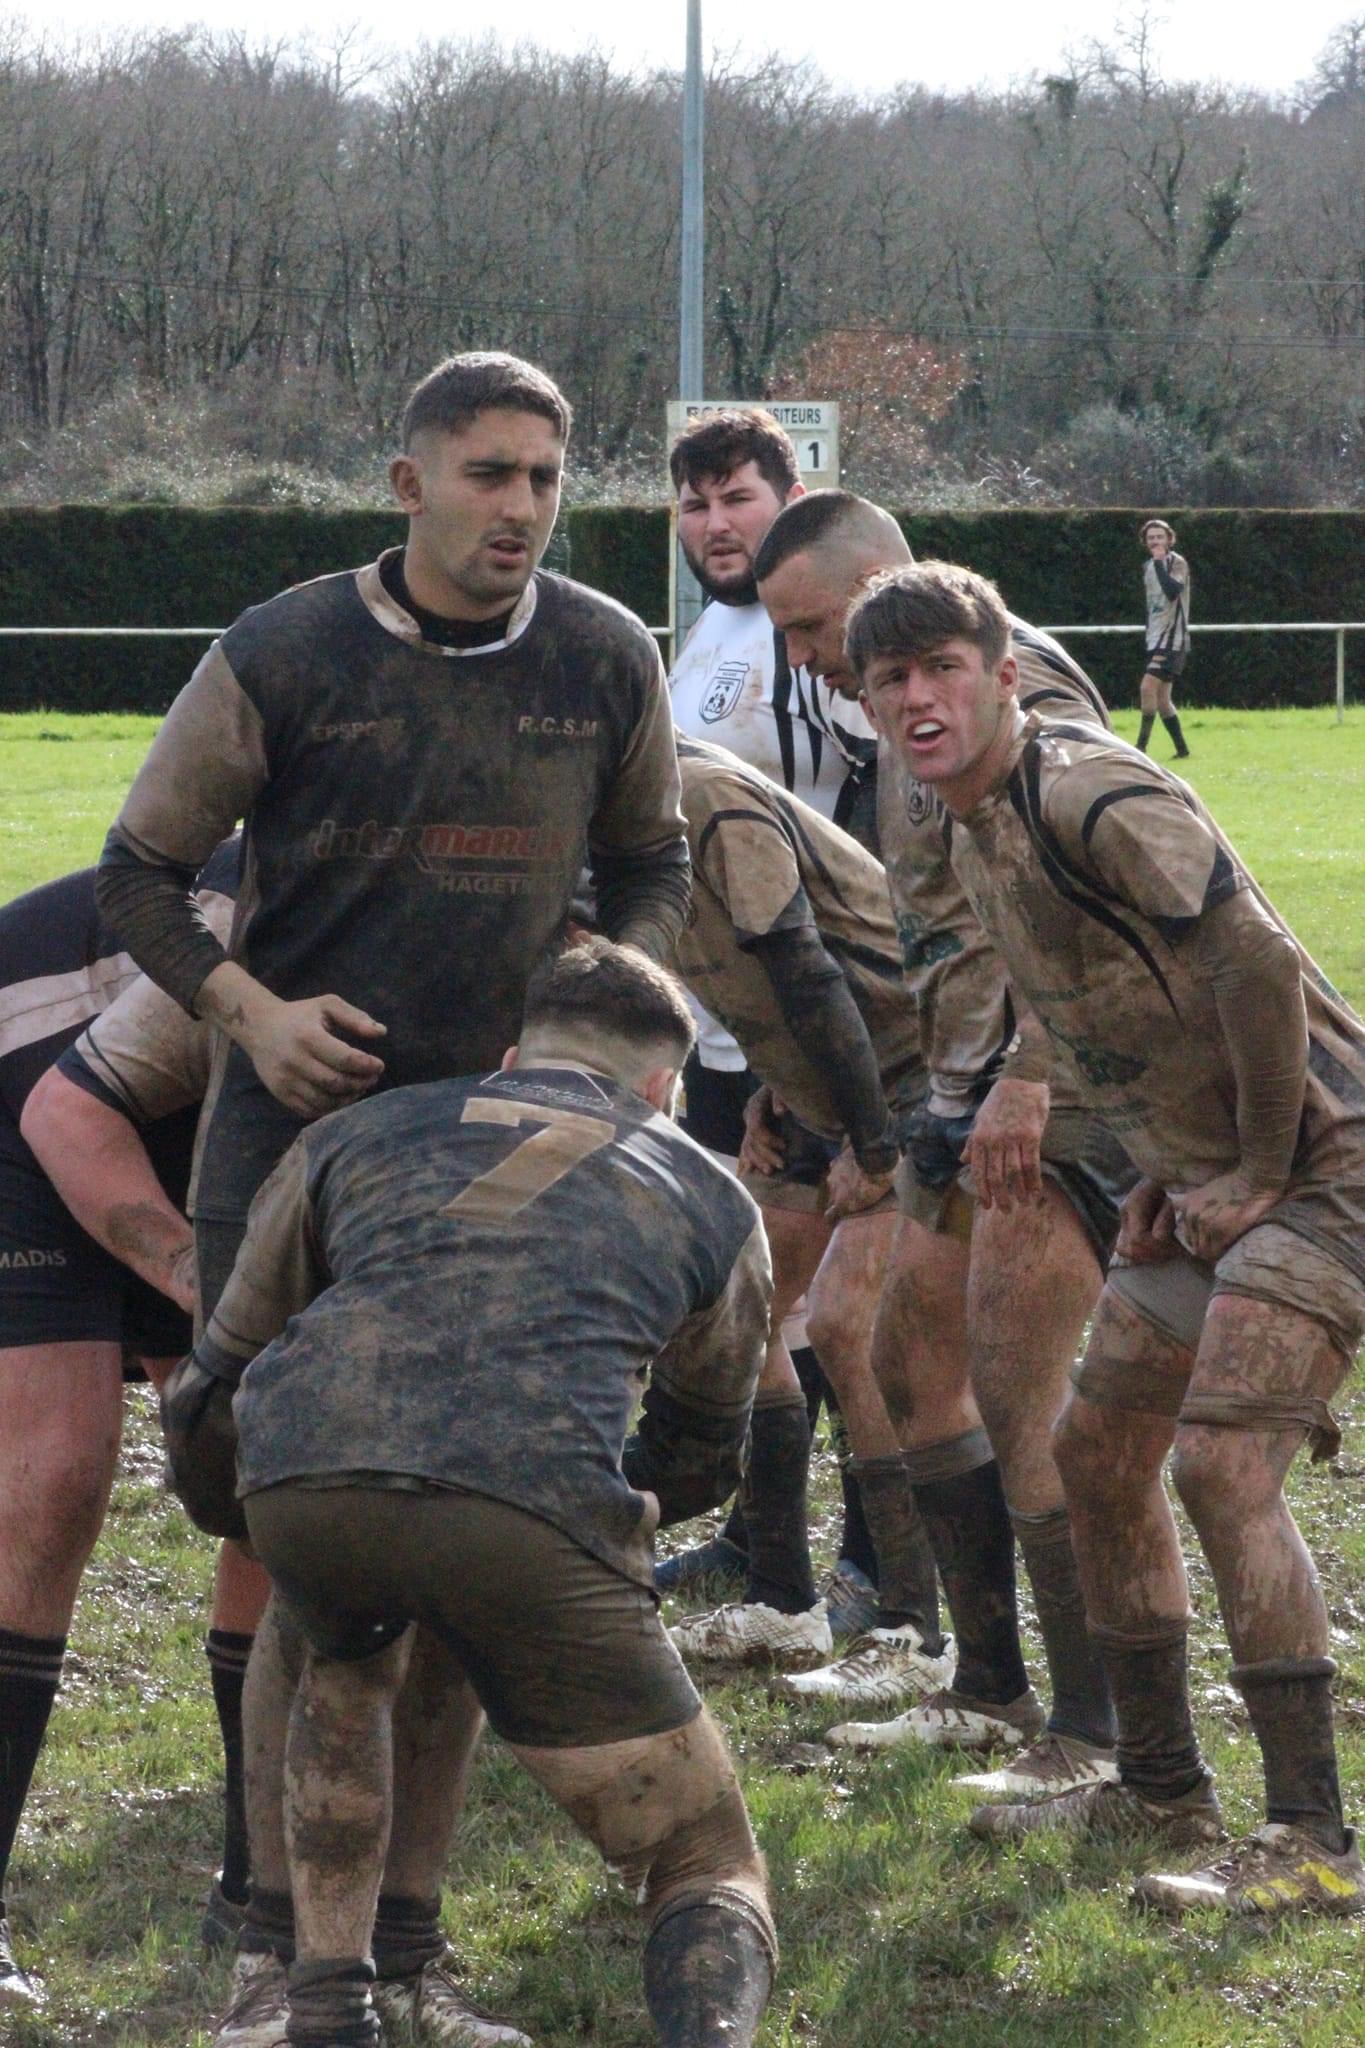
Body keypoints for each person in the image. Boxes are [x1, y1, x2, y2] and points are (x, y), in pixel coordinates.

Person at [95, 349, 691, 2046]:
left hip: (510, 1163)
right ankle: (279, 1952)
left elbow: (653, 864)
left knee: (453, 1554)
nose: (523, 507)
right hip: (293, 1155)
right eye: (490, 472)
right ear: (409, 482)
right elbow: (139, 876)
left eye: (547, 477)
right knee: (302, 1551)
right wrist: (254, 1017)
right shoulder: (283, 650)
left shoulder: (606, 653)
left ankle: (406, 1954)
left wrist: (591, 1008)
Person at [846, 557, 1365, 1918]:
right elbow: (1087, 1007)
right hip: (1201, 1176)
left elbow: (1254, 960)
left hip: (1327, 1162)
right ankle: (1159, 1786)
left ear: (1004, 675)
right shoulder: (973, 827)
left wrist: (1257, 1165)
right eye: (890, 679)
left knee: (1221, 1464)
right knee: (1094, 1451)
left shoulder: (1086, 789)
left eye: (943, 668)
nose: (918, 697)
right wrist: (1156, 1159)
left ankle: (1313, 1843)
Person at [162, 940, 776, 2048]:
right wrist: (584, 1510)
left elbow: (216, 1378)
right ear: (660, 1090)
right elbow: (703, 1446)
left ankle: (321, 1999)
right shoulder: (710, 1189)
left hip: (313, 1480)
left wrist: (240, 1509)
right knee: (703, 1855)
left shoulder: (352, 1132)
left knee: (335, 1646)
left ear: (508, 1058)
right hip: (528, 1494)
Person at [751, 494, 1126, 1798]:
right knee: (907, 1353)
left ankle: (1091, 1731)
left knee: (1019, 1395)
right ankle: (985, 1683)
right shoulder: (893, 710)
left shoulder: (1021, 687)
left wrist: (1036, 1070)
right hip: (957, 1091)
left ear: (879, 580)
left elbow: (1098, 894)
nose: (801, 658)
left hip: (1057, 1095)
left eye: (809, 625)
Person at [0, 847, 269, 2009]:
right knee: (53, 1480)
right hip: (28, 1092)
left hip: (197, 1118)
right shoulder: (299, 884)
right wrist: (201, 1283)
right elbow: (67, 1114)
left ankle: (257, 1891)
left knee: (263, 1461)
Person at [664, 733, 950, 1698]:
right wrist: (775, 1083)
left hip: (909, 1075)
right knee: (739, 1304)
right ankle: (783, 1601)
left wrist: (874, 1147)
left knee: (846, 1326)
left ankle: (913, 1631)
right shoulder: (617, 814)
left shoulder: (703, 795)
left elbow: (809, 967)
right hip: (822, 1083)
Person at [665, 406, 883, 1636]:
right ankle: (762, 1543)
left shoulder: (824, 641)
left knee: (847, 1306)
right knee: (752, 1295)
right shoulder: (710, 631)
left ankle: (871, 1568)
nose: (714, 523)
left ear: (791, 500)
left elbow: (881, 815)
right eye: (695, 503)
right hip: (728, 1030)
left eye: (736, 496)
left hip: (823, 1020)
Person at [1136, 518, 1191, 758]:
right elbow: (1151, 605)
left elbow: (1172, 592)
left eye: (1160, 537)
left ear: (1170, 539)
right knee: (1162, 700)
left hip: (1173, 638)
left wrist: (1160, 563)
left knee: (1147, 687)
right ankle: (1182, 750)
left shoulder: (1177, 562)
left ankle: (1140, 747)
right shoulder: (1147, 566)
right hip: (1155, 637)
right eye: (1151, 538)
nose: (1156, 541)